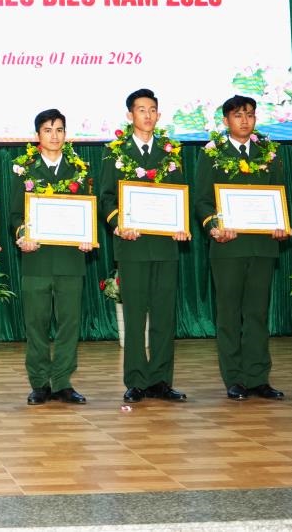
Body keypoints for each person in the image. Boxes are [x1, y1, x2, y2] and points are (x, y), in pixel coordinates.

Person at [195, 95, 290, 400]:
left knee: (257, 314)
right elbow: (202, 200)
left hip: (263, 246)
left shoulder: (269, 153)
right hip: (228, 246)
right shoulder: (212, 153)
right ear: (226, 121)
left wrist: (281, 223)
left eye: (249, 114)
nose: (245, 120)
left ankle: (258, 377)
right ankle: (234, 378)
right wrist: (214, 226)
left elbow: (279, 195)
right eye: (238, 115)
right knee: (229, 315)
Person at [98, 89, 189, 404]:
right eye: (141, 110)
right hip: (132, 245)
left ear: (158, 115)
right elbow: (106, 197)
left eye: (152, 110)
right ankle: (136, 381)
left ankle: (161, 380)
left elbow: (180, 194)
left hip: (165, 246)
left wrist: (181, 224)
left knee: (164, 316)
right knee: (135, 316)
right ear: (130, 115)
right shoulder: (115, 152)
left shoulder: (170, 152)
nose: (147, 115)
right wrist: (118, 223)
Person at [9, 109, 93, 406]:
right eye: (47, 130)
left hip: (71, 259)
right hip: (37, 259)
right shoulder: (23, 170)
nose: (54, 135)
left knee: (70, 324)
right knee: (36, 324)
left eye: (59, 129)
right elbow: (15, 215)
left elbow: (88, 210)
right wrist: (23, 234)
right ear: (37, 136)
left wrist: (88, 235)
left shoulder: (79, 169)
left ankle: (63, 382)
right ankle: (40, 383)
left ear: (65, 134)